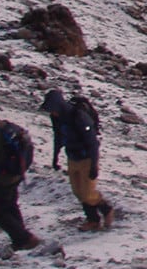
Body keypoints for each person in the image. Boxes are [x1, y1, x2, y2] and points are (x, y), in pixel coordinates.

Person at [39, 89, 115, 231]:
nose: (51, 113)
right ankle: (92, 220)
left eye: (51, 109)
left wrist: (94, 165)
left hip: (86, 158)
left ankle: (106, 210)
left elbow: (92, 142)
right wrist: (55, 156)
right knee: (78, 192)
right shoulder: (57, 118)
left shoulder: (78, 116)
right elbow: (58, 137)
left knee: (87, 193)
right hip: (72, 157)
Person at [0, 100, 41, 251]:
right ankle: (21, 238)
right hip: (16, 175)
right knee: (10, 206)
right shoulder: (7, 128)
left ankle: (25, 239)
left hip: (2, 178)